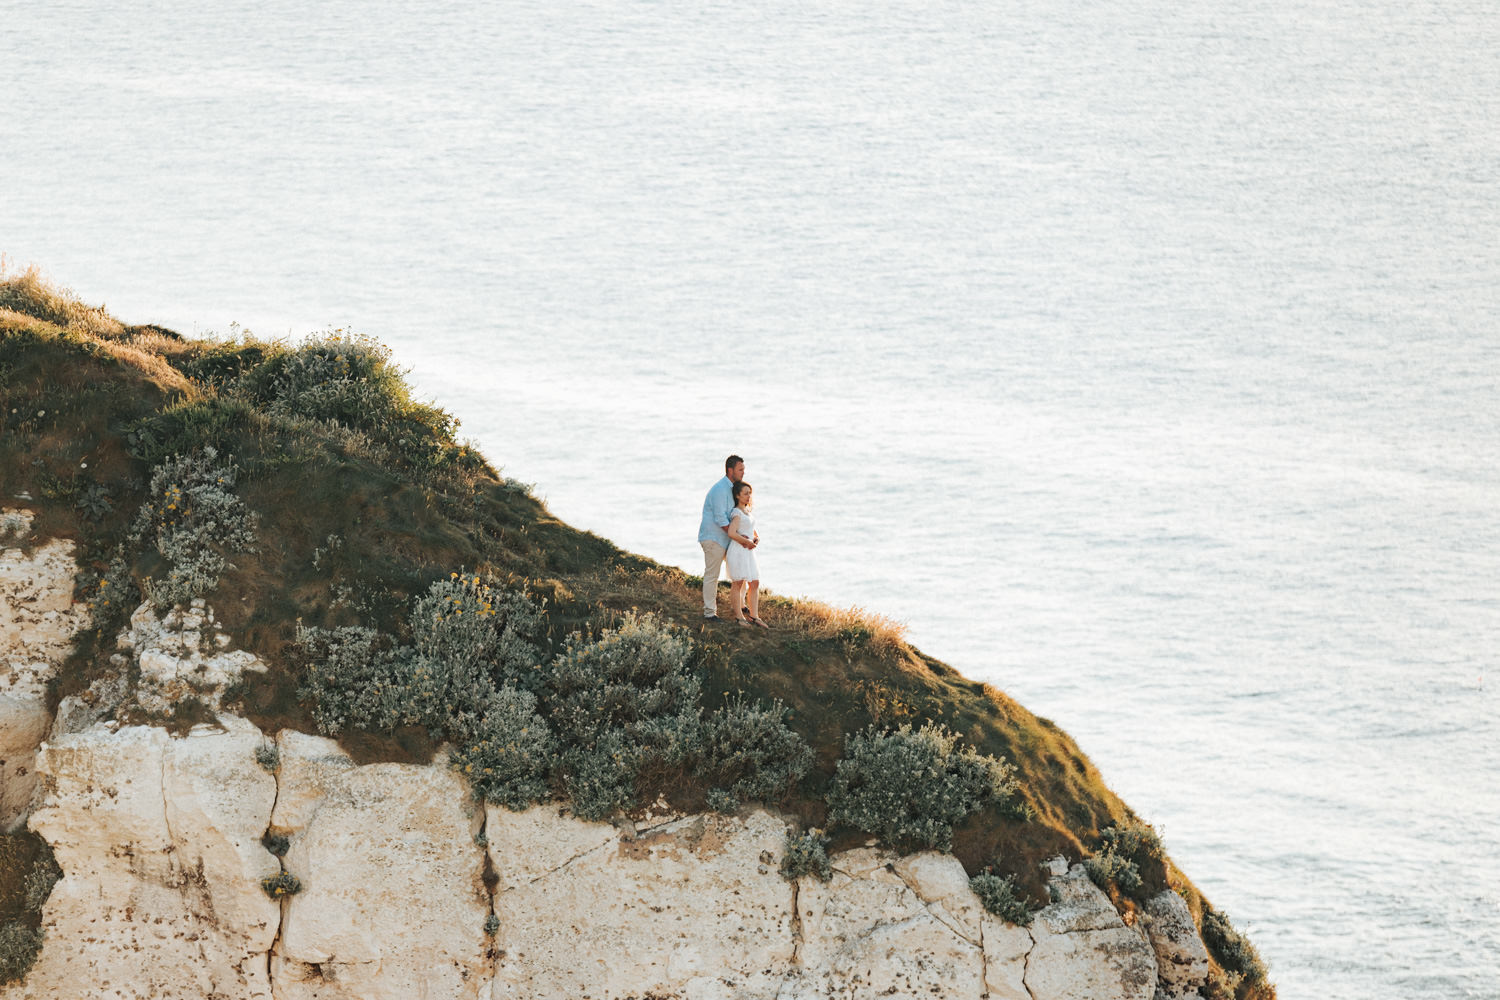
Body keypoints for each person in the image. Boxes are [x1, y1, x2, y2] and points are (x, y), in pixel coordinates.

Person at [699, 454, 752, 620]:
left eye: (743, 469)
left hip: (728, 539)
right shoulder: (720, 489)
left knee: (740, 571)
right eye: (740, 469)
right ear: (730, 470)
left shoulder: (734, 489)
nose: (743, 472)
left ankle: (740, 605)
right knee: (712, 576)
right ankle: (709, 613)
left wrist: (747, 535)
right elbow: (721, 519)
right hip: (714, 538)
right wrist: (739, 537)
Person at [725, 481, 767, 628]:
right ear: (737, 495)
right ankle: (739, 617)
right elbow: (731, 533)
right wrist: (746, 541)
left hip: (748, 551)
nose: (749, 496)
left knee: (754, 582)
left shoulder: (747, 511)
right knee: (738, 582)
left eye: (750, 493)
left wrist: (756, 537)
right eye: (745, 493)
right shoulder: (736, 513)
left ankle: (754, 616)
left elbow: (751, 529)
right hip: (738, 551)